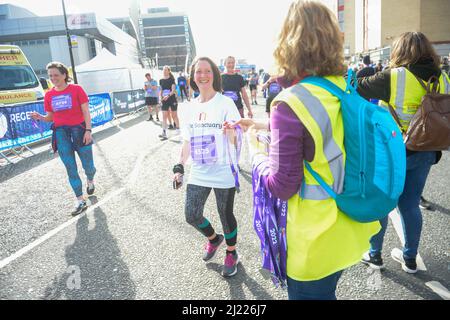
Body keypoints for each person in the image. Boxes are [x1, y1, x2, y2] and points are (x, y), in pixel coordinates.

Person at [225, 0, 380, 300]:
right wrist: (260, 124)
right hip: (347, 223)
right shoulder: (339, 86)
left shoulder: (289, 101)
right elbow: (318, 132)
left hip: (313, 239)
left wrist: (257, 153)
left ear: (288, 40)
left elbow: (282, 186)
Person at [356, 31, 450, 273]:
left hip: (393, 151)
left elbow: (357, 88)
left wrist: (365, 72)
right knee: (409, 204)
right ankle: (409, 258)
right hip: (427, 148)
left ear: (401, 51)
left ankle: (375, 254)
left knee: (381, 203)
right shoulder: (444, 78)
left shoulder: (394, 77)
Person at [174, 56, 242, 277]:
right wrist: (179, 166)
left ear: (214, 75)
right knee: (191, 214)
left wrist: (230, 132)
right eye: (198, 72)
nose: (203, 76)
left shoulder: (226, 103)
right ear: (193, 77)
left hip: (223, 169)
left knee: (225, 213)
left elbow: (236, 140)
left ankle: (232, 253)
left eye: (207, 71)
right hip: (200, 170)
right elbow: (187, 140)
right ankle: (214, 239)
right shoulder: (188, 108)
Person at [31, 62, 96, 216]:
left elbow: (86, 111)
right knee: (70, 168)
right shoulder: (49, 95)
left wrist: (88, 130)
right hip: (61, 134)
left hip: (79, 130)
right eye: (50, 76)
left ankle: (91, 180)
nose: (53, 78)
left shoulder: (77, 89)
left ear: (65, 75)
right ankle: (80, 200)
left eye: (56, 75)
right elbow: (50, 117)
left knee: (89, 166)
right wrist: (40, 117)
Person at [159, 66, 179, 140]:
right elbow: (161, 90)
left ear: (169, 71)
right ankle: (164, 132)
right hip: (164, 99)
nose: (164, 71)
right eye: (163, 70)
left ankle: (178, 129)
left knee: (174, 115)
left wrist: (168, 96)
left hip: (172, 99)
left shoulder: (172, 80)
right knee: (164, 116)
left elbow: (173, 90)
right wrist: (160, 97)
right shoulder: (161, 80)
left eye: (166, 70)